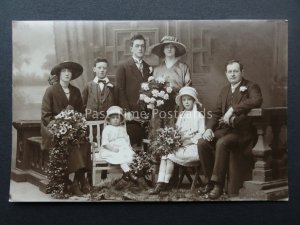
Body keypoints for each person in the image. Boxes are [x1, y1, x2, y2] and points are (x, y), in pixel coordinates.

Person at [197, 60, 263, 199]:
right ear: (226, 74)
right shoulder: (224, 90)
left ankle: (218, 185)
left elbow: (257, 100)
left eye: (235, 71)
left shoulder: (251, 86)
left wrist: (233, 109)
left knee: (222, 142)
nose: (232, 74)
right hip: (226, 130)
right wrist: (208, 129)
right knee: (202, 142)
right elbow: (216, 113)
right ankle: (209, 181)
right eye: (230, 72)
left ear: (242, 72)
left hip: (243, 133)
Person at [41, 61, 91, 196]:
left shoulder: (75, 91)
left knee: (85, 143)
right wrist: (59, 127)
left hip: (72, 130)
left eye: (69, 72)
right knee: (72, 145)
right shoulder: (50, 91)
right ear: (59, 74)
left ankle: (77, 180)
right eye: (64, 71)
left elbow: (81, 112)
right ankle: (78, 182)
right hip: (54, 131)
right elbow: (46, 116)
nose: (67, 74)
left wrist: (76, 126)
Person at [150, 87, 205, 194]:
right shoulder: (182, 115)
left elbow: (201, 134)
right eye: (184, 100)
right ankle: (161, 183)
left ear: (194, 101)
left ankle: (164, 183)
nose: (186, 102)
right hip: (181, 146)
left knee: (169, 156)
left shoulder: (198, 115)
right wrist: (176, 139)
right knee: (165, 154)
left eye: (189, 99)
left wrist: (189, 141)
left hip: (194, 148)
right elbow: (177, 131)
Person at [116, 34, 152, 147]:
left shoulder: (148, 67)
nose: (140, 48)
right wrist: (126, 111)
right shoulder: (123, 66)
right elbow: (120, 90)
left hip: (147, 114)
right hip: (130, 115)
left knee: (149, 143)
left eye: (142, 46)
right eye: (137, 46)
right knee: (133, 142)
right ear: (131, 48)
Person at [99, 106, 138, 182]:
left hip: (122, 148)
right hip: (110, 149)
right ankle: (129, 173)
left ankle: (127, 174)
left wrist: (129, 148)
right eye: (113, 118)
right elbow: (105, 143)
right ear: (109, 119)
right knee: (120, 156)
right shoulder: (107, 129)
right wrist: (112, 149)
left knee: (129, 155)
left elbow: (127, 139)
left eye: (117, 117)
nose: (116, 119)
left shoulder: (122, 128)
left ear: (120, 119)